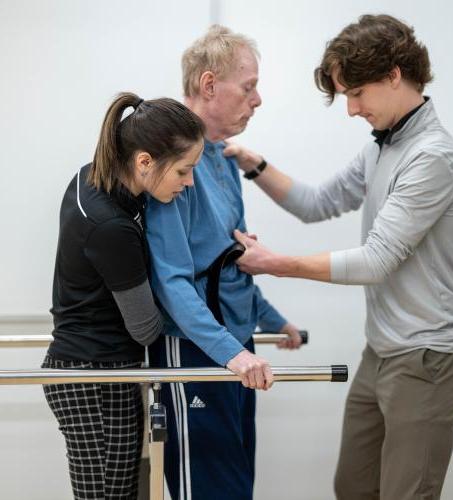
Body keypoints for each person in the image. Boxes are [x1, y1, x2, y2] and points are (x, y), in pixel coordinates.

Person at [226, 14, 453, 500]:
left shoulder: (432, 157)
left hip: (430, 357)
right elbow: (315, 203)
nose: (351, 109)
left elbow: (375, 261)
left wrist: (276, 263)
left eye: (356, 93)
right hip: (383, 350)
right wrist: (251, 162)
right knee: (354, 488)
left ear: (394, 75)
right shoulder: (382, 149)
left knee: (407, 493)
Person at [146, 25, 302, 500]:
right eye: (248, 86)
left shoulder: (223, 160)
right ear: (209, 85)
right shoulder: (175, 167)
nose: (256, 101)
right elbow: (171, 281)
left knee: (236, 485)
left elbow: (232, 257)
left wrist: (272, 320)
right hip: (196, 344)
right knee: (210, 490)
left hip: (236, 340)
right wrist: (231, 353)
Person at [42, 92, 205, 500]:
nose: (188, 184)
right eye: (184, 172)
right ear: (145, 161)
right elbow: (146, 328)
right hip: (95, 376)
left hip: (83, 367)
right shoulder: (111, 227)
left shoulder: (88, 177)